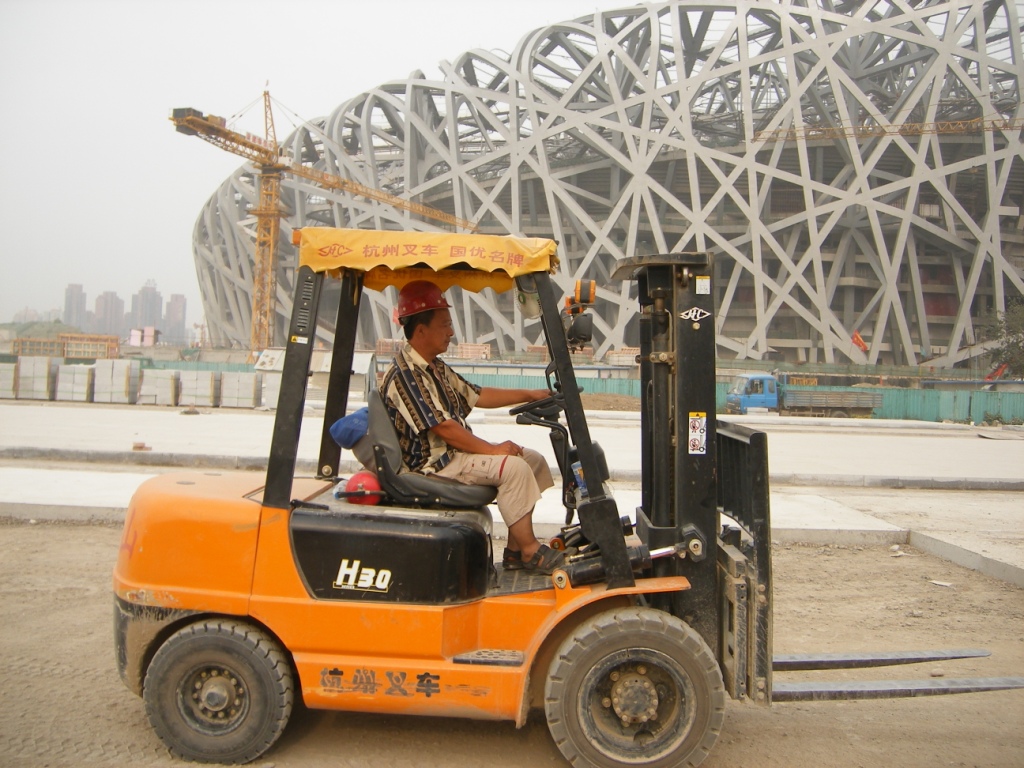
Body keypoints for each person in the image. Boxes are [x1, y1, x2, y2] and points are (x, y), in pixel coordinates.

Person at [379, 279, 565, 575]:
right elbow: (444, 428)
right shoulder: (405, 374)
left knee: (533, 460)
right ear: (421, 329)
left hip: (453, 455)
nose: (451, 332)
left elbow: (476, 395)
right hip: (434, 465)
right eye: (445, 325)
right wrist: (493, 450)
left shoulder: (435, 367)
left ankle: (516, 552)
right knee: (513, 467)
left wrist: (532, 394)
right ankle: (531, 550)